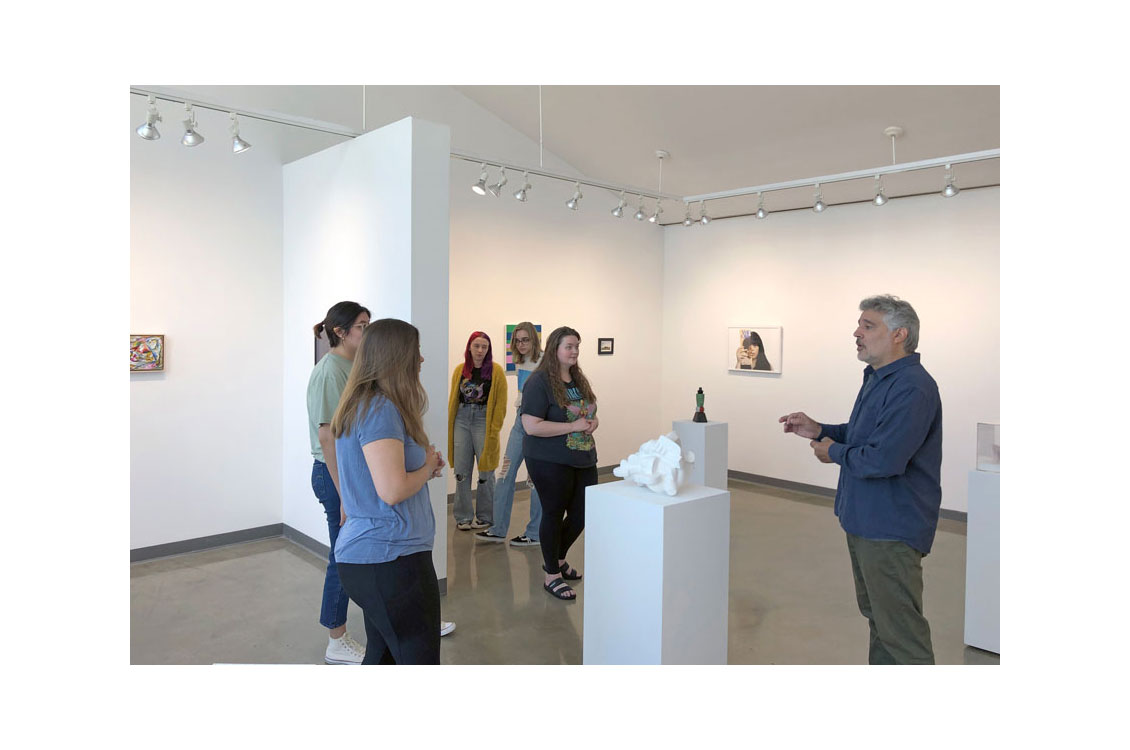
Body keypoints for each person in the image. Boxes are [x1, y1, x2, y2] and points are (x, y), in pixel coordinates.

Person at [779, 294, 942, 665]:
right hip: (866, 521)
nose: (857, 332)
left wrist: (832, 452)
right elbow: (865, 434)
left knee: (901, 634)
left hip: (890, 528)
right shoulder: (879, 378)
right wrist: (819, 429)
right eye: (860, 325)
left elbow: (884, 458)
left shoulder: (912, 387)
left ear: (900, 334)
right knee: (881, 622)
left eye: (868, 326)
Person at [331, 318, 446, 664]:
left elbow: (377, 478)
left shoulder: (365, 405)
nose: (421, 360)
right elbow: (393, 490)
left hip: (376, 558)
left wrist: (423, 466)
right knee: (417, 660)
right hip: (392, 560)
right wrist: (425, 469)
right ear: (396, 357)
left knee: (383, 656)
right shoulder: (379, 409)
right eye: (416, 352)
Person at [306, 301, 370, 664]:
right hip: (335, 477)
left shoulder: (354, 366)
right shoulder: (330, 371)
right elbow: (327, 435)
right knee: (342, 557)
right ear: (340, 332)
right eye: (361, 325)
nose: (366, 331)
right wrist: (345, 494)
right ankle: (336, 639)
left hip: (353, 471)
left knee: (362, 552)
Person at [521, 326, 598, 601]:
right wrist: (573, 426)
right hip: (548, 459)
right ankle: (551, 574)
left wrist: (592, 423)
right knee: (553, 513)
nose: (575, 351)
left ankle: (559, 558)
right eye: (569, 346)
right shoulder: (539, 382)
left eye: (577, 345)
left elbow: (589, 411)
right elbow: (531, 426)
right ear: (555, 349)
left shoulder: (579, 379)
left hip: (583, 457)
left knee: (582, 514)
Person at [476, 322, 543, 547]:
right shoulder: (520, 361)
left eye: (525, 340)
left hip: (538, 425)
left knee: (535, 481)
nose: (521, 344)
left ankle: (534, 533)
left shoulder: (545, 363)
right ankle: (498, 529)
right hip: (519, 422)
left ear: (534, 340)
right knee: (504, 474)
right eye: (517, 340)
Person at [448, 331, 507, 531]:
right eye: (477, 346)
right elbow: (453, 401)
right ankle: (463, 516)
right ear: (469, 347)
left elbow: (500, 404)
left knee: (486, 471)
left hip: (484, 419)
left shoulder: (496, 372)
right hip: (462, 419)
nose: (480, 350)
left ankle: (485, 516)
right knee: (461, 471)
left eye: (484, 347)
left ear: (488, 349)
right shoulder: (460, 370)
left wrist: (495, 428)